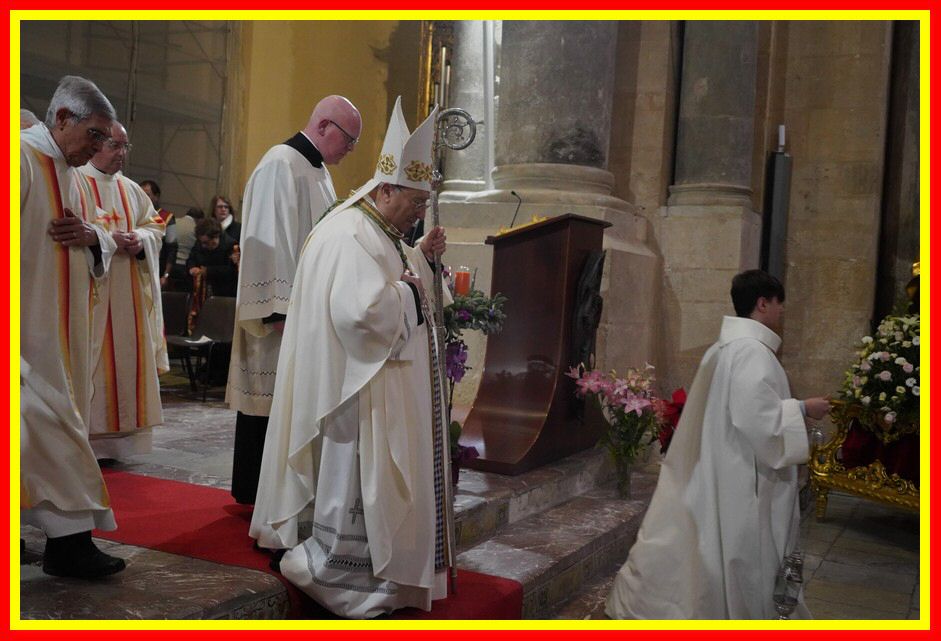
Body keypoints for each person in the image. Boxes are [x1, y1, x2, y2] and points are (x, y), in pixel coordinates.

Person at [249, 97, 450, 618]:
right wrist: (409, 294)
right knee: (353, 490)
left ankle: (382, 575)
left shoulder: (380, 230)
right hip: (354, 395)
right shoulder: (350, 233)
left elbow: (400, 277)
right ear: (386, 190)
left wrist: (423, 262)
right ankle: (345, 578)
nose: (419, 213)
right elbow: (361, 317)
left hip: (372, 385)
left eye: (424, 204)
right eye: (415, 203)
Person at [605, 269, 830, 619]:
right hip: (741, 473)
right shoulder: (751, 352)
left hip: (722, 463)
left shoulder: (723, 348)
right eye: (779, 303)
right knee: (736, 552)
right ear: (762, 303)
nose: (782, 311)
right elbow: (758, 419)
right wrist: (803, 408)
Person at [226, 94, 362, 505]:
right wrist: (278, 310)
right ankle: (256, 494)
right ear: (323, 126)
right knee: (268, 404)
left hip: (307, 312)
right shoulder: (280, 163)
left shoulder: (319, 172)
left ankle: (282, 494)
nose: (350, 150)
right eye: (349, 140)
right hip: (279, 315)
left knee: (290, 407)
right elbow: (267, 239)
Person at [20, 75, 125, 578]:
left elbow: (98, 234)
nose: (100, 148)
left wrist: (92, 237)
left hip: (61, 334)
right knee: (52, 435)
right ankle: (70, 546)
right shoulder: (20, 158)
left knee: (42, 436)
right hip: (26, 336)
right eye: (95, 135)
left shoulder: (71, 171)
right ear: (62, 119)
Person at [79, 122, 167, 459]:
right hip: (91, 294)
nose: (122, 154)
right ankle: (86, 440)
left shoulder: (131, 189)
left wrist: (140, 240)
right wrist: (106, 240)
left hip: (128, 295)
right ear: (96, 144)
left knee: (126, 362)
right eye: (115, 146)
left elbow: (154, 226)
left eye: (125, 147)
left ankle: (120, 444)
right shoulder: (75, 182)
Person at [186, 217, 239, 297]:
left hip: (224, 291)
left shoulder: (231, 245)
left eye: (206, 243)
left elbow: (232, 271)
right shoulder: (200, 242)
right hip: (202, 289)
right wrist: (192, 268)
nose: (203, 246)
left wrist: (208, 270)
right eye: (202, 242)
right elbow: (191, 258)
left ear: (215, 237)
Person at [140, 180, 176, 290]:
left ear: (156, 197)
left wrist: (166, 275)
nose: (143, 198)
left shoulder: (167, 217)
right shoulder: (135, 215)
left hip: (158, 269)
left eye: (147, 195)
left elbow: (172, 249)